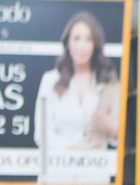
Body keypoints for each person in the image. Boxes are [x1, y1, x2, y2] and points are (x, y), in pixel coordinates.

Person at [34, 10, 119, 153]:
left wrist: (111, 128)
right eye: (77, 39)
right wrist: (74, 148)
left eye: (88, 39)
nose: (82, 46)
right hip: (59, 163)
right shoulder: (51, 80)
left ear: (95, 44)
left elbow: (118, 135)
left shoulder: (108, 81)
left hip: (96, 164)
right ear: (68, 43)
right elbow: (41, 135)